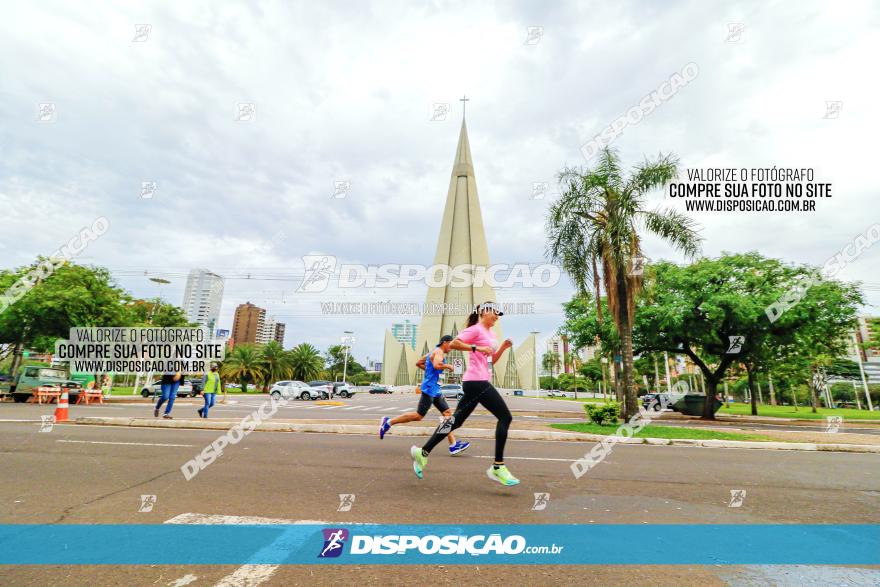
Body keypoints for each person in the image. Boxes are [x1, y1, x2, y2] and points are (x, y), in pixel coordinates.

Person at [410, 302, 519, 486]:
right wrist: (476, 348)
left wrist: (503, 348)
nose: (497, 317)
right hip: (477, 382)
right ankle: (498, 467)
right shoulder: (475, 330)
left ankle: (423, 452)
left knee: (455, 421)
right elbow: (454, 343)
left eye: (499, 315)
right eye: (494, 313)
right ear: (483, 312)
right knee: (505, 417)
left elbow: (491, 359)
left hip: (476, 382)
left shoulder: (491, 334)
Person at [379, 335, 470, 455]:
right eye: (451, 345)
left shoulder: (432, 352)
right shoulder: (439, 352)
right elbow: (437, 365)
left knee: (447, 414)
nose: (451, 348)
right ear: (445, 342)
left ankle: (453, 445)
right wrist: (448, 366)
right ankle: (388, 422)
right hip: (429, 389)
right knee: (418, 416)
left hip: (435, 389)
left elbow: (419, 363)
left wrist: (429, 372)